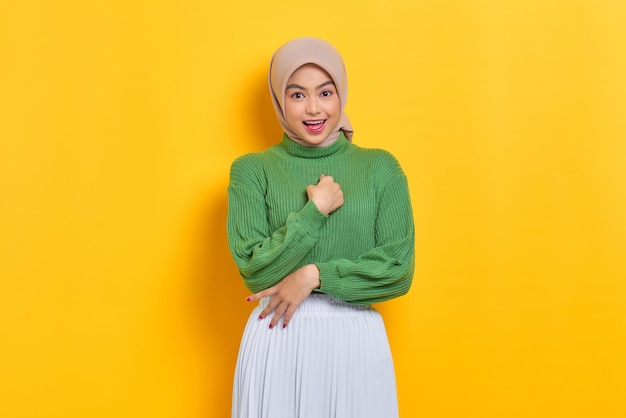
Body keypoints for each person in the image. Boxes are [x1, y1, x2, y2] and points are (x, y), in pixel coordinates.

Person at [227, 36, 415, 418]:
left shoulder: (381, 168)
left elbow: (398, 269)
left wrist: (314, 275)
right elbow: (255, 269)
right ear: (280, 100)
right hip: (277, 336)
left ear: (340, 92)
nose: (313, 109)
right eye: (297, 95)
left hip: (356, 346)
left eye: (325, 92)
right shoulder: (251, 170)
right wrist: (315, 210)